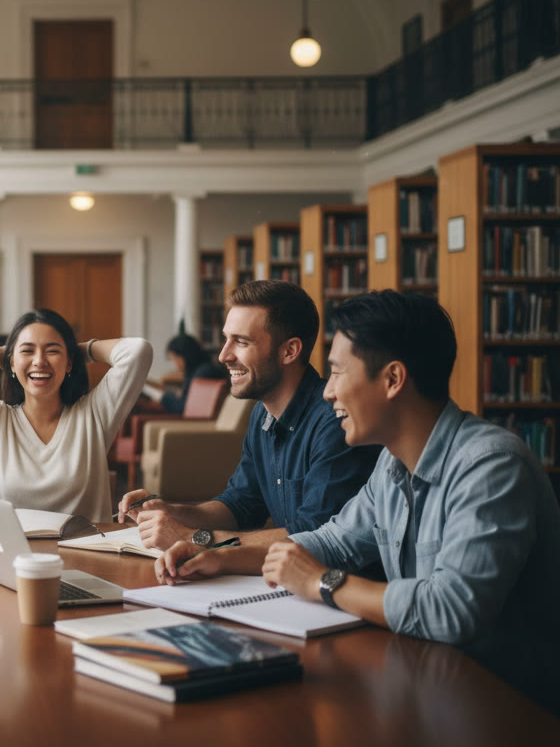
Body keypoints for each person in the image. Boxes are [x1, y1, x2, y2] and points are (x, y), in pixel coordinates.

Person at [155, 290, 560, 714]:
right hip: (428, 685)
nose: (327, 392)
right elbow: (331, 541)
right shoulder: (392, 463)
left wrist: (324, 583)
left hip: (507, 708)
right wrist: (216, 556)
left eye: (335, 373)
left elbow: (452, 609)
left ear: (392, 379)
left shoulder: (491, 466)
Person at [119, 280, 380, 550]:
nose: (223, 355)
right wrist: (171, 511)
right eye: (226, 339)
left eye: (241, 342)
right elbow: (240, 505)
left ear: (289, 351)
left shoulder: (335, 421)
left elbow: (315, 536)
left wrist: (193, 538)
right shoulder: (261, 414)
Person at [0, 308, 153, 522]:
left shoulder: (95, 414)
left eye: (52, 351)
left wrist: (81, 350)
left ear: (70, 362)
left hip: (87, 560)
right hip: (9, 561)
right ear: (11, 363)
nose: (39, 361)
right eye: (28, 351)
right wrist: (6, 354)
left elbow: (137, 352)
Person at [148, 324, 224, 414]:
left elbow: (183, 408)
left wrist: (162, 397)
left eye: (175, 359)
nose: (175, 364)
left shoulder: (203, 374)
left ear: (184, 355)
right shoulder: (201, 370)